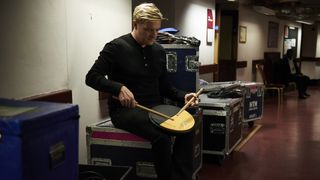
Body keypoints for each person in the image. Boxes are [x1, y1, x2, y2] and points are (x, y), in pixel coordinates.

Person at [85, 3, 199, 180]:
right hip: (125, 111)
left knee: (187, 126)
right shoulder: (116, 47)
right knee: (161, 137)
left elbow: (165, 87)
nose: (154, 35)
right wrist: (118, 88)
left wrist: (184, 95)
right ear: (136, 23)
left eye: (157, 30)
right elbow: (91, 77)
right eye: (149, 30)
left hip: (155, 107)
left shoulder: (159, 51)